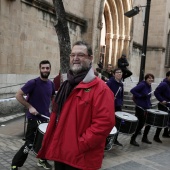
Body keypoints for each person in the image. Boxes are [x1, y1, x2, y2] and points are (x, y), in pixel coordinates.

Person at [37, 41, 115, 170]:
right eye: (73, 55)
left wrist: (79, 144)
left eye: (81, 55)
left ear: (90, 58)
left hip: (81, 158)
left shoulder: (101, 89)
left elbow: (104, 123)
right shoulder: (67, 85)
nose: (75, 58)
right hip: (61, 153)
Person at [11, 60, 55, 170]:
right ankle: (15, 164)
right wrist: (30, 107)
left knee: (45, 142)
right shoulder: (33, 83)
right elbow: (18, 95)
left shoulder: (51, 84)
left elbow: (52, 98)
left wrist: (54, 112)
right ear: (40, 69)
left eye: (47, 68)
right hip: (33, 119)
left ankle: (42, 161)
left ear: (50, 69)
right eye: (43, 68)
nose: (45, 70)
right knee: (29, 144)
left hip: (46, 118)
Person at [130, 73, 154, 147]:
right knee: (140, 124)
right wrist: (140, 96)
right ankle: (133, 139)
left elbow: (147, 97)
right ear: (146, 79)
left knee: (149, 123)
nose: (151, 79)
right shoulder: (142, 85)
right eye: (149, 78)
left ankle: (144, 137)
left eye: (152, 78)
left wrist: (149, 104)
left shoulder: (149, 86)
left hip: (146, 107)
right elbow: (132, 90)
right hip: (140, 107)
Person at [105, 68, 124, 149]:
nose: (119, 74)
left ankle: (115, 140)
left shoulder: (121, 84)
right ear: (114, 74)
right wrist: (110, 98)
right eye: (117, 72)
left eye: (120, 72)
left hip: (118, 106)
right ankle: (106, 141)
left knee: (118, 123)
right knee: (109, 123)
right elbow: (104, 93)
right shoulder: (110, 82)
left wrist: (121, 102)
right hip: (110, 106)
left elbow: (121, 95)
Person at [153, 71, 170, 143]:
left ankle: (165, 133)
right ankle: (156, 136)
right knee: (162, 121)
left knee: (168, 120)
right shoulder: (164, 84)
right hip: (163, 105)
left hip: (168, 105)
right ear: (167, 76)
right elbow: (156, 92)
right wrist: (161, 100)